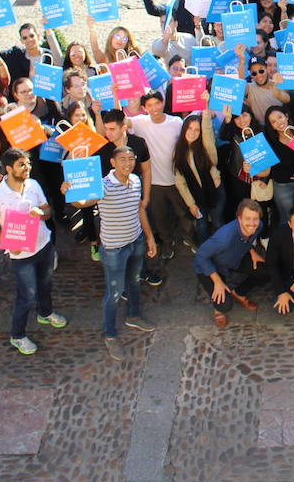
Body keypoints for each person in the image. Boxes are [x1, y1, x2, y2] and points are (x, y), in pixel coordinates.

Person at [0, 149, 67, 355]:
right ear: (8, 169)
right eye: (22, 164)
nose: (27, 167)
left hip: (43, 244)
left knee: (46, 284)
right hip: (21, 255)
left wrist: (42, 213)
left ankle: (45, 313)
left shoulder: (33, 185)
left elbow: (47, 210)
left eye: (28, 163)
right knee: (27, 295)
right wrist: (7, 243)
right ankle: (18, 335)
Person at [88, 145, 157, 360]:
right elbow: (84, 202)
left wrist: (149, 237)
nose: (128, 164)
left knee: (134, 281)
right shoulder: (103, 185)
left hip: (135, 241)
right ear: (113, 163)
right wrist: (70, 192)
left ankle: (133, 315)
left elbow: (139, 209)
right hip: (114, 249)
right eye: (123, 160)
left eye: (131, 159)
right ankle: (110, 334)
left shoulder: (135, 180)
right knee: (114, 293)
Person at [127, 91, 187, 283]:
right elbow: (122, 122)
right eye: (150, 105)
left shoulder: (176, 122)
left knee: (184, 213)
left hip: (177, 180)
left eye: (157, 103)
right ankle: (167, 244)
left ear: (163, 103)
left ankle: (189, 238)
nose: (154, 108)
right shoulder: (140, 122)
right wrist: (118, 95)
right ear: (144, 108)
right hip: (154, 182)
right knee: (160, 218)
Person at [193, 199, 266, 328]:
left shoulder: (259, 226)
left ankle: (239, 293)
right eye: (247, 219)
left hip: (236, 257)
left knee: (266, 270)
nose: (252, 223)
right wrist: (217, 281)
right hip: (213, 266)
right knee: (224, 305)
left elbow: (248, 239)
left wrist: (252, 251)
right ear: (239, 219)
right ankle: (218, 309)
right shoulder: (224, 238)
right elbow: (201, 255)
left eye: (255, 219)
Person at [173, 108, 221, 248]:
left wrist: (205, 113)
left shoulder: (205, 146)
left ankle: (221, 249)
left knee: (218, 222)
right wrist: (191, 204)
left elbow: (207, 132)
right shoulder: (178, 152)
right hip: (196, 196)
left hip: (215, 190)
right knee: (202, 225)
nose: (192, 132)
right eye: (189, 128)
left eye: (197, 130)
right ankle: (203, 251)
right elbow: (180, 182)